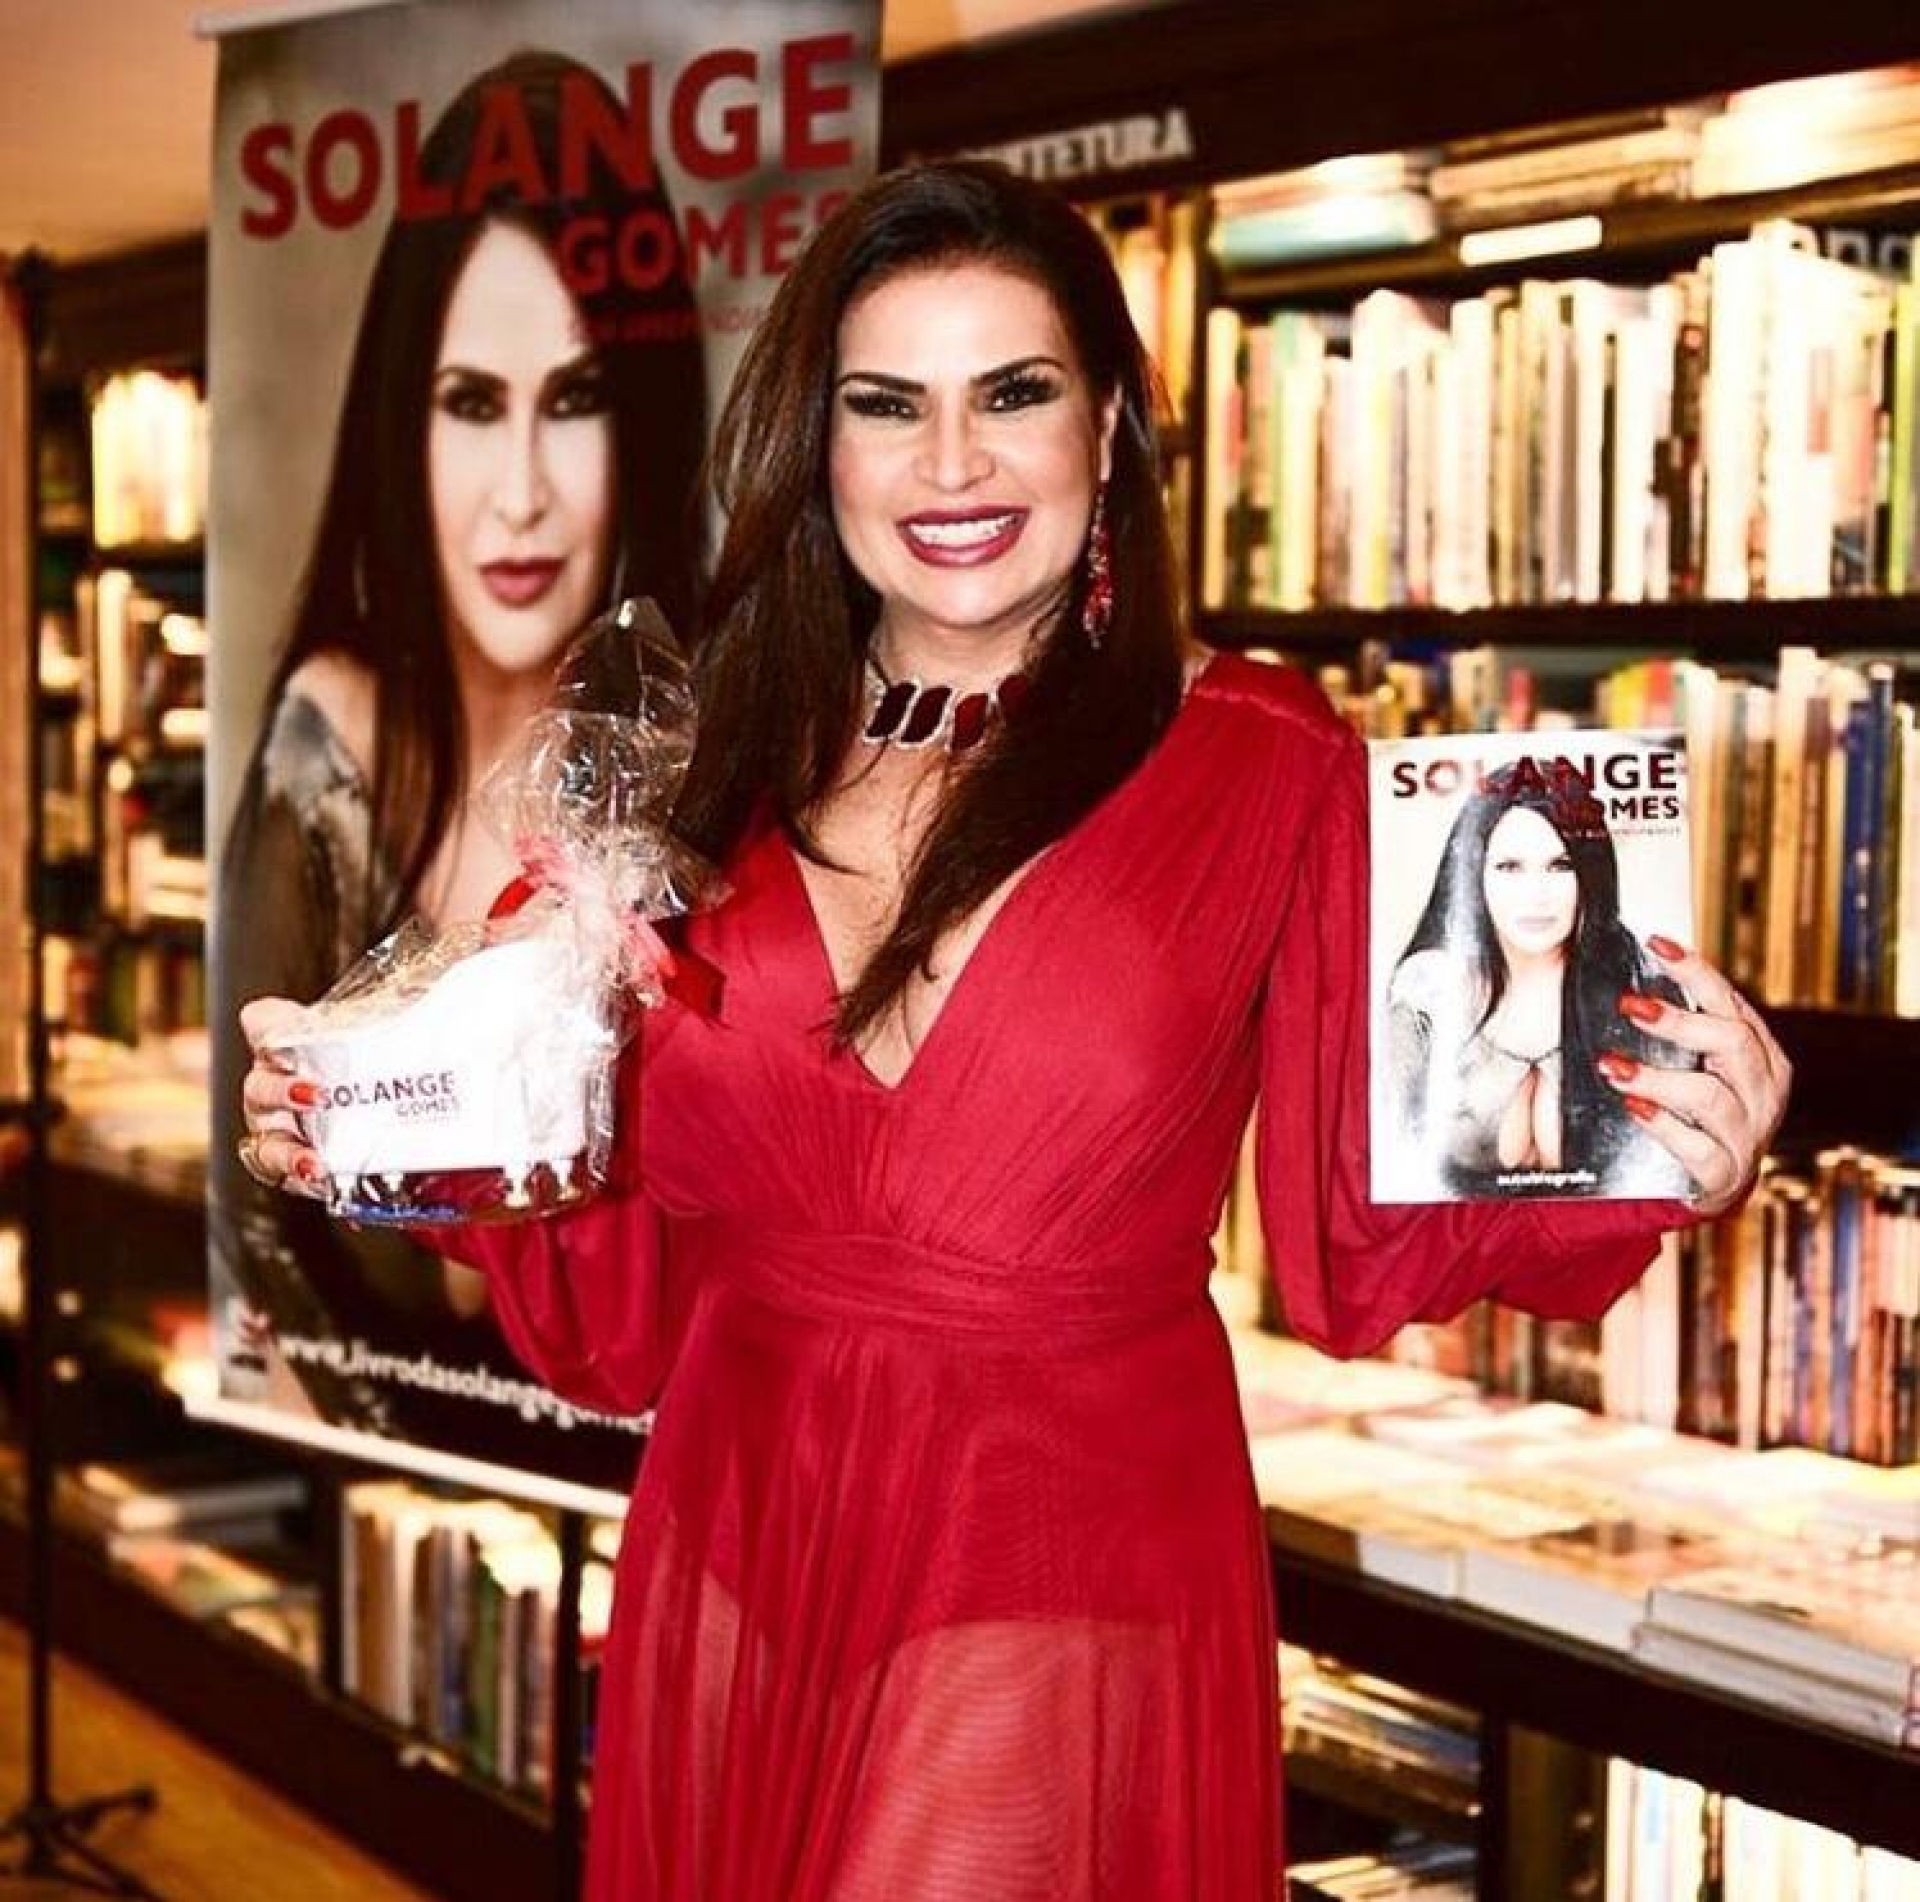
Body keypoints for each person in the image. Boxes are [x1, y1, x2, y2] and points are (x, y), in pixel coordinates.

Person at [237, 161, 1790, 1898]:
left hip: (1061, 1558)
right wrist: (367, 1115)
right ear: (816, 443)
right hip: (741, 1552)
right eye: (887, 404)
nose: (952, 463)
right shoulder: (689, 768)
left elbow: (1373, 1215)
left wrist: (1668, 1136)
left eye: (1013, 392)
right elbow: (578, 1183)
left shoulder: (1266, 761)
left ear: (1107, 422)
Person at [214, 50, 706, 1448]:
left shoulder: (719, 778)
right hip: (385, 1464)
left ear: (644, 419)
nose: (522, 494)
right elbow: (263, 1238)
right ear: (403, 420)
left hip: (667, 1468)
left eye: (578, 396)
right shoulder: (329, 745)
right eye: (474, 404)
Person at [1385, 753, 1694, 1198]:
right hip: (1448, 1240)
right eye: (1510, 867)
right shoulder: (1426, 994)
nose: (1536, 894)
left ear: (1590, 874)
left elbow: (1672, 1170)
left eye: (1560, 865)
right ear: (1474, 876)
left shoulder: (1646, 992)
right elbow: (1393, 1160)